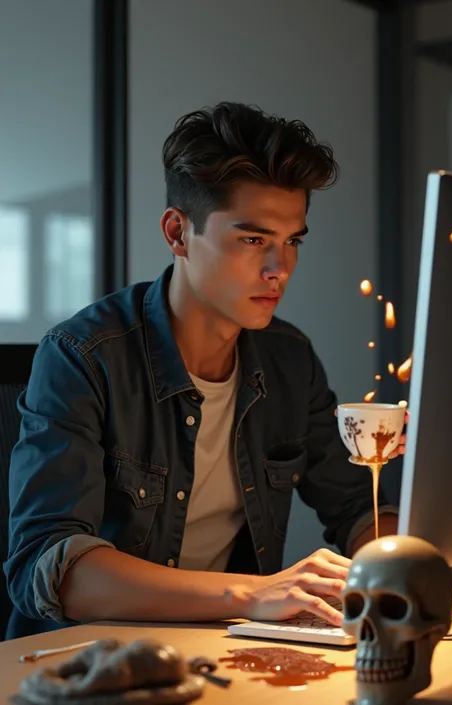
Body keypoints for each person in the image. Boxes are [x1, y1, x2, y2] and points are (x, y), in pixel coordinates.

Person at [5, 102, 402, 640]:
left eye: (292, 242)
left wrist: (401, 561)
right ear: (177, 233)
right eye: (253, 239)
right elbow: (50, 568)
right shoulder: (82, 354)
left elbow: (357, 507)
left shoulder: (289, 358)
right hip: (85, 661)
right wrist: (252, 593)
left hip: (223, 650)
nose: (278, 269)